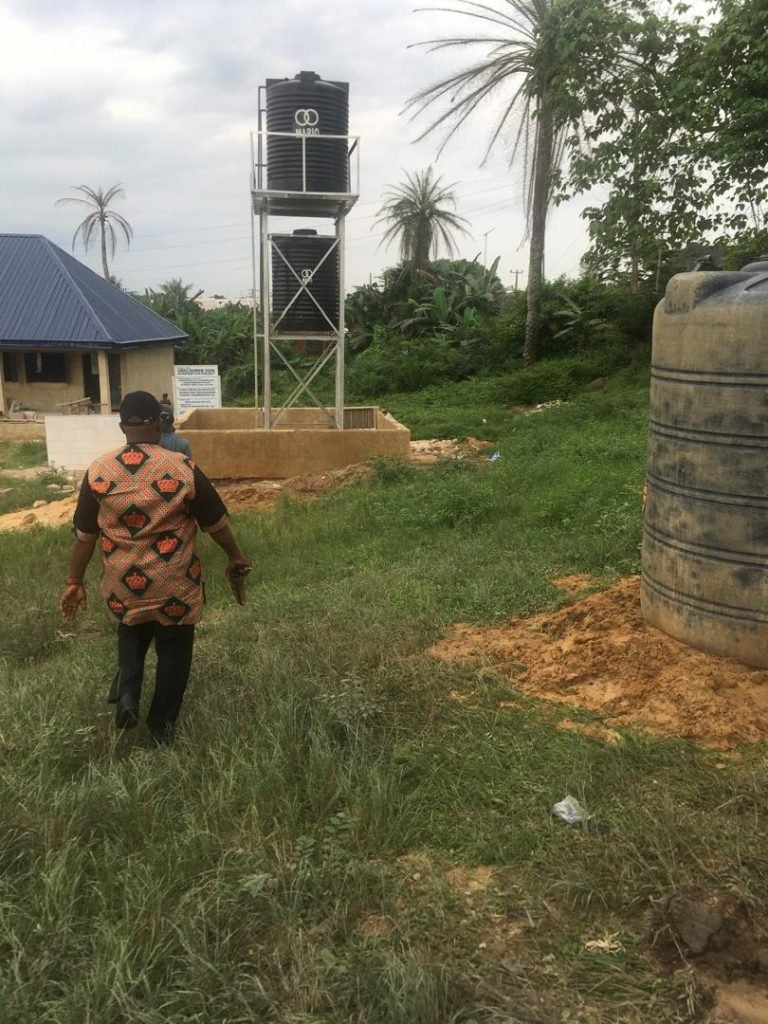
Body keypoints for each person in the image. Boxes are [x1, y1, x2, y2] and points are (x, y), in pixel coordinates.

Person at [59, 391, 251, 743]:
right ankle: (161, 727)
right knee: (174, 652)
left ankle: (129, 691)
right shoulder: (181, 467)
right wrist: (235, 556)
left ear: (122, 427)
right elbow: (215, 523)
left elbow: (85, 535)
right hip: (174, 581)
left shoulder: (98, 471)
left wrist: (74, 579)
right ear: (159, 423)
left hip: (123, 582)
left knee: (131, 627)